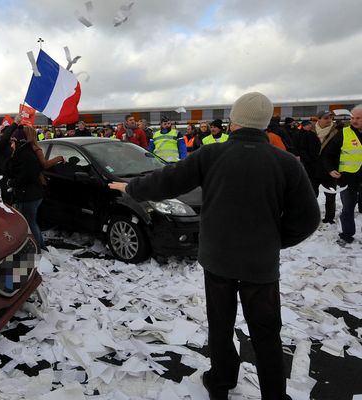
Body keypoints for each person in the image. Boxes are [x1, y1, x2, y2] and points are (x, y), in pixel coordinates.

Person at [109, 92, 319, 400]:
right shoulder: (285, 163)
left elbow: (168, 180)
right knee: (266, 332)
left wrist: (131, 188)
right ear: (264, 124)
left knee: (220, 325)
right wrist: (273, 240)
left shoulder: (212, 155)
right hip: (259, 264)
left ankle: (221, 382)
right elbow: (308, 218)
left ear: (234, 121)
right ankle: (274, 395)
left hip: (218, 260)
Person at [321, 105, 362, 244]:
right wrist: (331, 169)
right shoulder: (344, 133)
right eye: (352, 118)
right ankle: (347, 234)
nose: (354, 121)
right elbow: (328, 154)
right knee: (348, 209)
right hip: (349, 179)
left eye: (358, 118)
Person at [4, 126, 45, 250]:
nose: (11, 144)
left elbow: (26, 177)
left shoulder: (26, 155)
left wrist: (11, 183)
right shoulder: (21, 152)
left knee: (30, 223)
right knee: (31, 222)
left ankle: (39, 247)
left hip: (29, 196)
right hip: (29, 194)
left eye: (12, 142)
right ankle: (39, 246)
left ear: (19, 141)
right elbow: (11, 169)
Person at [315, 110, 341, 224]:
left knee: (331, 196)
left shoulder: (338, 132)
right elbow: (302, 149)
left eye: (330, 118)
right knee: (311, 196)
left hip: (330, 171)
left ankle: (329, 219)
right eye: (326, 118)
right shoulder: (309, 131)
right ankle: (311, 215)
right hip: (313, 170)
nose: (329, 120)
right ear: (319, 119)